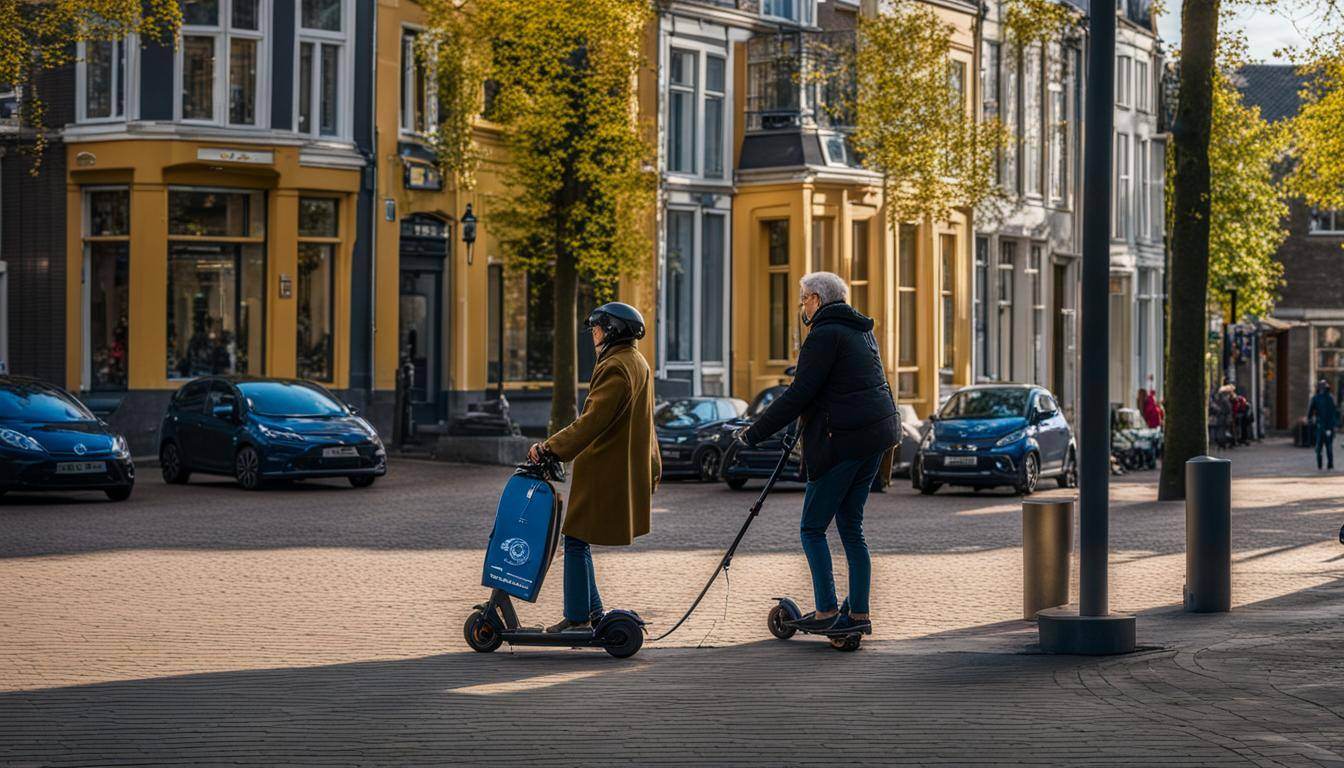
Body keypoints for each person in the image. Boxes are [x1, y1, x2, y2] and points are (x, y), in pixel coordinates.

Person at [737, 272, 900, 636]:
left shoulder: (823, 335)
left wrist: (754, 433)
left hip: (842, 442)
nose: (802, 307)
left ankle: (826, 610)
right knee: (851, 528)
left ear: (816, 300)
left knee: (812, 528)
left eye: (804, 300)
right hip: (875, 438)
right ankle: (858, 613)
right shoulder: (861, 331)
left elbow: (799, 394)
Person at [527, 302, 660, 633]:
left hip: (605, 468)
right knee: (578, 537)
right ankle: (593, 613)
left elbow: (591, 422)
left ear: (612, 331)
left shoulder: (616, 367)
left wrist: (550, 449)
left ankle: (577, 617)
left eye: (598, 329)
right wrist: (653, 467)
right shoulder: (637, 362)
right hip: (617, 466)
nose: (594, 336)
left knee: (574, 537)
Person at [1308, 379, 1338, 471]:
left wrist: (1310, 419)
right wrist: (1334, 425)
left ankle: (1320, 465)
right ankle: (1330, 465)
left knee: (1319, 447)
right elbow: (1335, 413)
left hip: (1320, 426)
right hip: (1328, 426)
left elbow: (1310, 412)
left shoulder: (1316, 398)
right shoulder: (1331, 398)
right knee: (1328, 446)